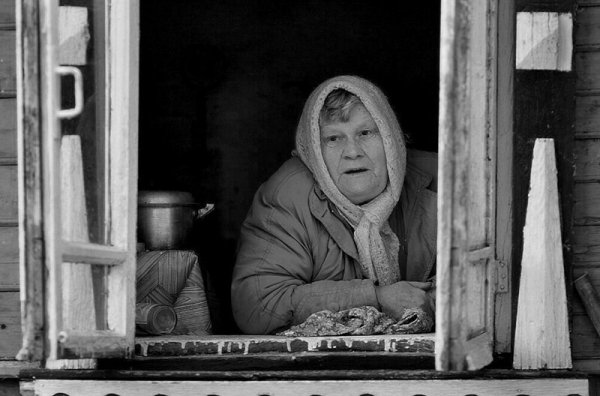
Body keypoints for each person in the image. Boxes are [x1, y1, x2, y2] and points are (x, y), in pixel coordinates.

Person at [231, 75, 437, 335]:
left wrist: (434, 299)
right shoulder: (287, 194)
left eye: (366, 132)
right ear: (314, 151)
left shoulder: (441, 181)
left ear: (391, 139)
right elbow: (259, 306)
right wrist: (378, 298)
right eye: (333, 138)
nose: (352, 151)